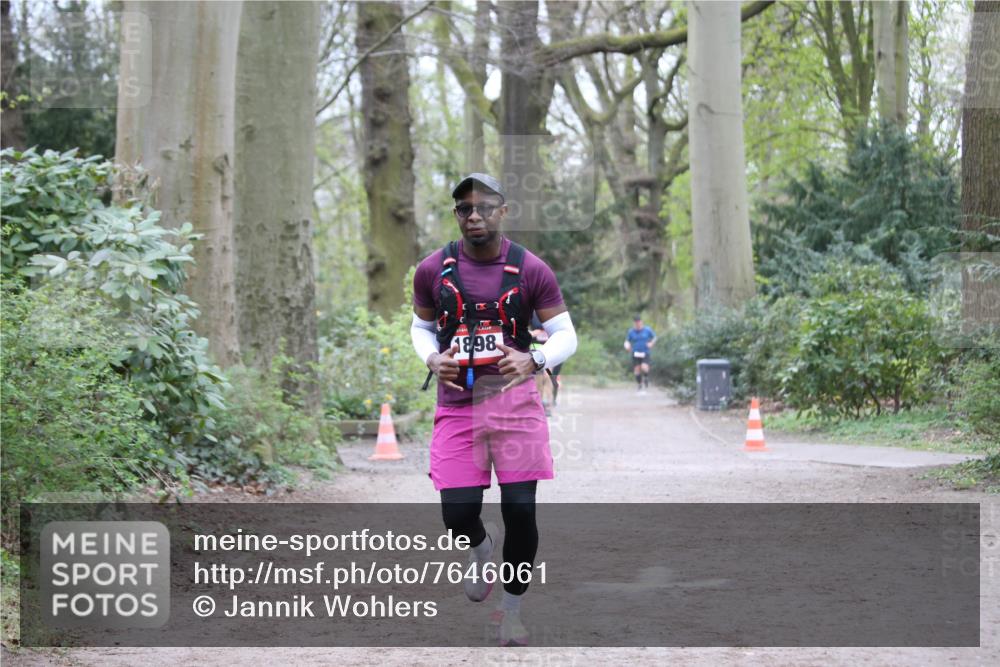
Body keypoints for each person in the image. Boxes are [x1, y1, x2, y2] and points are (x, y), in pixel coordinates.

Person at [410, 173, 578, 646]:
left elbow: (566, 335)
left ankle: (511, 612)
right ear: (456, 215)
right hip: (457, 405)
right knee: (457, 514)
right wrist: (431, 358)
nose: (475, 215)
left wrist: (535, 359)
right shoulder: (433, 269)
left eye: (484, 207)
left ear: (503, 211)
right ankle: (481, 548)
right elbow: (421, 328)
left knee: (520, 511)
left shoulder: (531, 268)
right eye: (465, 208)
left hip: (515, 404)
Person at [529, 312, 562, 415]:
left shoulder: (553, 310)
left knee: (548, 377)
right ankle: (539, 405)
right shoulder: (530, 312)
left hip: (550, 348)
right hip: (536, 349)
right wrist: (532, 333)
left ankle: (548, 405)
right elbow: (520, 328)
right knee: (539, 379)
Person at [624, 315, 656, 393]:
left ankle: (646, 377)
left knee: (644, 367)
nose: (637, 324)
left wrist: (651, 343)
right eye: (636, 323)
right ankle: (640, 385)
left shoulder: (647, 330)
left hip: (645, 352)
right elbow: (627, 341)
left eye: (639, 322)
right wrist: (626, 346)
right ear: (634, 323)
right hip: (635, 353)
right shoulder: (631, 332)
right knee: (637, 370)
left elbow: (654, 337)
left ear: (641, 322)